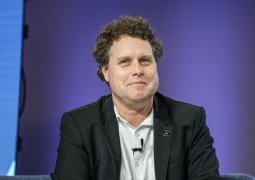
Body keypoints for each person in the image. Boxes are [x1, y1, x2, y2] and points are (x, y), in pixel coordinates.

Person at [51, 16, 219, 180]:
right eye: (125, 61)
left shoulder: (190, 121)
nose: (137, 70)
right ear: (106, 71)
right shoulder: (80, 125)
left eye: (145, 61)